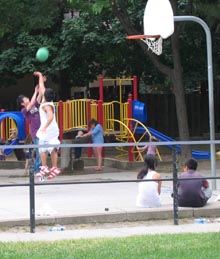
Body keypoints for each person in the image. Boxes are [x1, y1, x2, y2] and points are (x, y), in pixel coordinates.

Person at [34, 71, 61, 180]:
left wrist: (44, 126)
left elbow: (50, 117)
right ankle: (54, 168)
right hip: (53, 129)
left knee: (42, 147)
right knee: (53, 148)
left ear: (45, 95)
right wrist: (40, 76)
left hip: (48, 129)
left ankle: (45, 167)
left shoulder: (46, 106)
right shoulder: (48, 101)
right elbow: (42, 86)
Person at [17, 83, 43, 173]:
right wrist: (35, 91)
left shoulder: (34, 105)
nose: (27, 99)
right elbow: (32, 101)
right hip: (35, 132)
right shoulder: (24, 110)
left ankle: (38, 168)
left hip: (41, 130)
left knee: (42, 150)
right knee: (39, 150)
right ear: (22, 103)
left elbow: (38, 98)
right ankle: (36, 169)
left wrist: (39, 90)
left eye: (27, 98)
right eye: (25, 99)